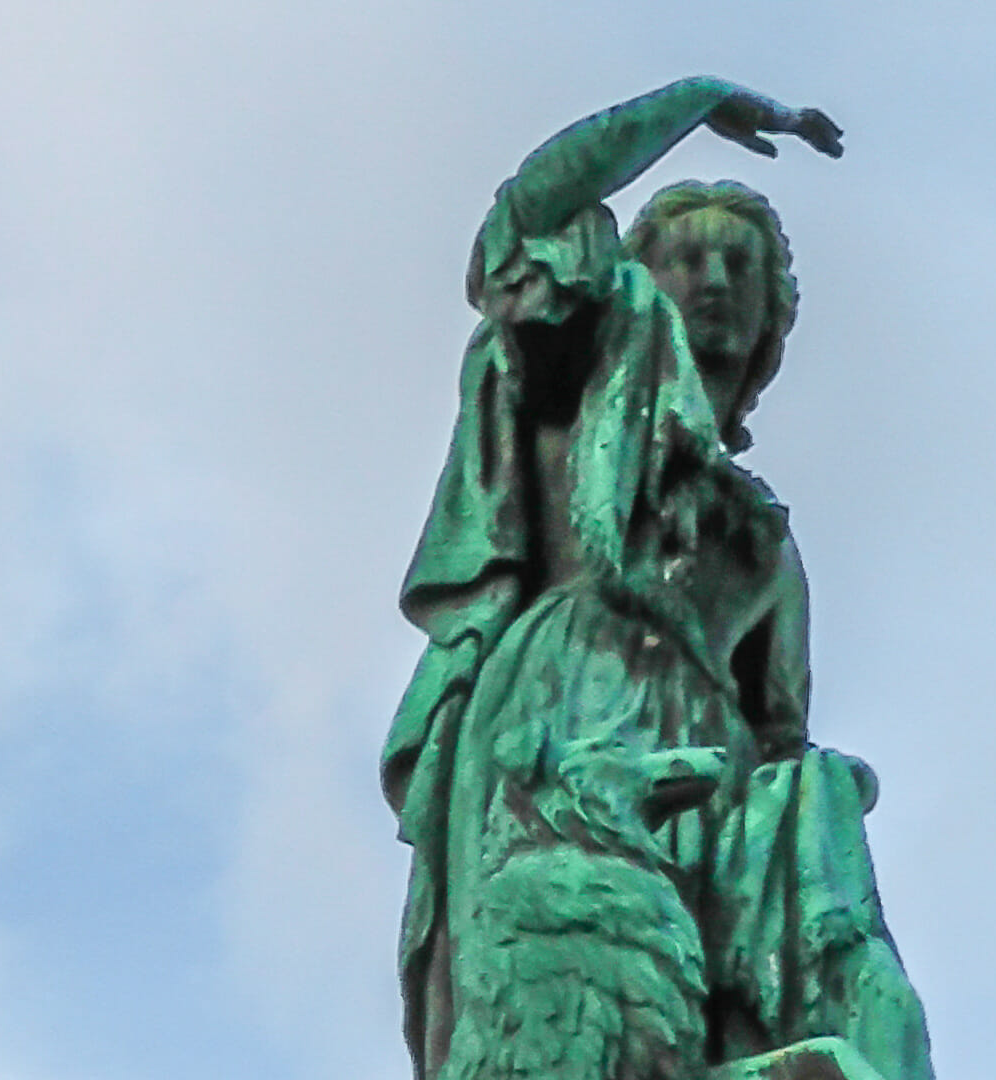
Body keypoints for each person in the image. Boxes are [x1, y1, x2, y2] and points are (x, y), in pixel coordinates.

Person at [380, 77, 934, 1079]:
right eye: (687, 258)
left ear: (770, 318)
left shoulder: (765, 542)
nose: (714, 278)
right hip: (562, 713)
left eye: (739, 264)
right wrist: (695, 99)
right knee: (572, 983)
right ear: (644, 279)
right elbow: (526, 222)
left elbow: (778, 736)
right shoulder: (590, 366)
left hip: (707, 763)